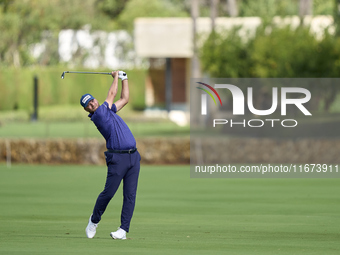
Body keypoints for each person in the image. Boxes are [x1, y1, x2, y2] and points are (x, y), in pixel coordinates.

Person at [80, 70, 141, 240]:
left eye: (92, 100)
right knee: (108, 193)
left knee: (130, 195)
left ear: (95, 99)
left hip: (133, 158)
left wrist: (125, 78)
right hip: (118, 159)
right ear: (87, 110)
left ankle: (123, 230)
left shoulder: (109, 110)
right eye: (88, 105)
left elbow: (125, 99)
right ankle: (93, 221)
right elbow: (112, 93)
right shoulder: (99, 115)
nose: (92, 104)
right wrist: (115, 76)